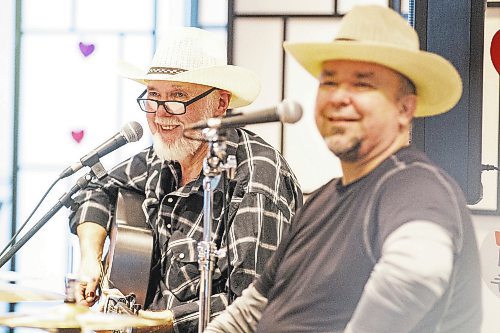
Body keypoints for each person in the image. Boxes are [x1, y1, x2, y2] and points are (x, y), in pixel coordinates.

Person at [204, 5, 482, 333]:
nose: (339, 97)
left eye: (362, 84)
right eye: (330, 82)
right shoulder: (321, 201)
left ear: (404, 108)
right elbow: (251, 310)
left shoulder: (415, 184)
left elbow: (417, 274)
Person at [68, 27, 302, 332]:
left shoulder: (256, 177)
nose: (161, 114)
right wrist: (90, 258)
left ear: (220, 103)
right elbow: (96, 189)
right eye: (153, 97)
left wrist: (154, 324)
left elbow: (254, 303)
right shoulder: (161, 157)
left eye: (178, 97)